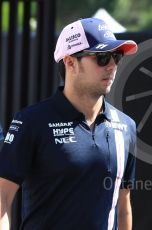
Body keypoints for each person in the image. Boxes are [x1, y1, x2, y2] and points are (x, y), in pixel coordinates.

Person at [0, 18, 137, 230]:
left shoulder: (126, 126)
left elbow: (123, 208)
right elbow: (2, 198)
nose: (112, 66)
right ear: (70, 62)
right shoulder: (32, 121)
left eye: (116, 57)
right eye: (102, 58)